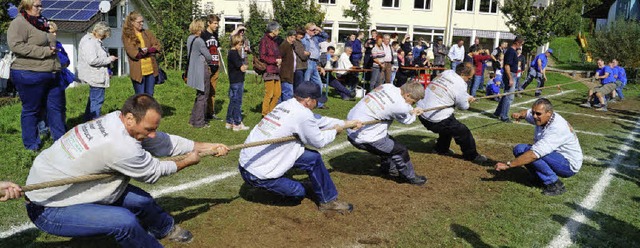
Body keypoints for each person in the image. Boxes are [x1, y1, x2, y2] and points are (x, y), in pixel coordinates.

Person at [24, 94, 230, 246]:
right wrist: (187, 161)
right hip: (47, 207)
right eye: (149, 129)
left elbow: (163, 142)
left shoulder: (116, 118)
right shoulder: (121, 146)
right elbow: (154, 172)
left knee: (142, 201)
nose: (151, 135)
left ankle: (165, 228)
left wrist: (205, 147)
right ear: (130, 118)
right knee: (125, 222)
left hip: (75, 187)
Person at [239, 81, 362, 214]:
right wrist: (335, 131)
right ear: (308, 100)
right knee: (298, 192)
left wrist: (345, 124)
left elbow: (319, 120)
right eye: (316, 100)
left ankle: (328, 201)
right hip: (256, 172)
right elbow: (318, 141)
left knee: (313, 159)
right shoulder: (302, 115)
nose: (317, 104)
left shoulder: (287, 104)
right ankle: (268, 186)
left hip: (249, 161)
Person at [7, 0, 64, 151]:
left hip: (51, 72)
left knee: (56, 108)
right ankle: (31, 146)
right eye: (37, 6)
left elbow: (51, 43)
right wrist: (45, 52)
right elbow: (16, 46)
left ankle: (61, 144)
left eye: (41, 5)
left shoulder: (43, 22)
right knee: (32, 110)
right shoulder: (19, 23)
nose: (41, 8)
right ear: (26, 6)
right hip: (29, 73)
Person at [495, 98, 582, 196]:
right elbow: (526, 113)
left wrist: (508, 165)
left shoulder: (557, 128)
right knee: (519, 149)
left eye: (538, 114)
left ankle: (555, 184)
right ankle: (539, 179)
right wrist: (520, 114)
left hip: (568, 164)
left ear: (549, 113)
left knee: (531, 152)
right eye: (533, 113)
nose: (534, 116)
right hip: (556, 156)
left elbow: (534, 154)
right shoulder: (543, 117)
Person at [347, 82, 428, 185]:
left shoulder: (387, 86)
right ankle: (410, 177)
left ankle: (388, 169)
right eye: (413, 102)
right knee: (400, 151)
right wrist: (415, 112)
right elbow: (407, 121)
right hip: (364, 136)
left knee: (390, 144)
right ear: (407, 95)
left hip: (352, 126)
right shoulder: (401, 106)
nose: (411, 104)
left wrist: (411, 109)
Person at [417, 63, 488, 162]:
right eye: (469, 78)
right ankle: (472, 156)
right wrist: (468, 101)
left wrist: (467, 96)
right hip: (434, 118)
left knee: (449, 125)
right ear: (463, 74)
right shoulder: (461, 84)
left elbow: (455, 91)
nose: (469, 80)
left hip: (421, 112)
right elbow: (463, 106)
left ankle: (441, 149)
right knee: (463, 131)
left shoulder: (447, 73)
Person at [78, 22, 118, 121]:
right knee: (97, 101)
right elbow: (92, 60)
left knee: (93, 100)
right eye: (105, 35)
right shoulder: (90, 42)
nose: (105, 38)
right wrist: (109, 59)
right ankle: (94, 123)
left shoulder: (91, 40)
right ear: (101, 33)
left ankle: (87, 122)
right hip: (95, 76)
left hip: (96, 74)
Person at [122, 11, 161, 96]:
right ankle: (139, 110)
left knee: (150, 95)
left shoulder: (147, 33)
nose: (142, 23)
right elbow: (133, 53)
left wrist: (148, 51)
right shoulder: (127, 36)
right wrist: (147, 52)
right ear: (132, 22)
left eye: (142, 21)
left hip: (150, 70)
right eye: (139, 22)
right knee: (140, 96)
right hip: (138, 72)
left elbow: (157, 46)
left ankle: (148, 109)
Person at [186, 19, 213, 128]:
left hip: (193, 70)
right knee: (203, 96)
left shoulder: (189, 38)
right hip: (202, 70)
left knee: (199, 95)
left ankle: (193, 119)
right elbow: (209, 57)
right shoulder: (200, 41)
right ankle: (199, 122)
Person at [493, 37, 524, 123]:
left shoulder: (512, 51)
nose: (521, 46)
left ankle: (497, 112)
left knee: (506, 95)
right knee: (509, 96)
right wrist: (510, 78)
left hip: (512, 75)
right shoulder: (511, 52)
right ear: (517, 43)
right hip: (510, 75)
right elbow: (507, 66)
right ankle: (504, 116)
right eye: (521, 44)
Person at [301, 23, 329, 109]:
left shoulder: (315, 38)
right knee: (306, 83)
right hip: (308, 62)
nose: (314, 31)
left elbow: (325, 37)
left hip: (315, 63)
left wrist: (319, 29)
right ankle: (303, 102)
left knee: (318, 84)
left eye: (314, 30)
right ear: (307, 30)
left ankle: (318, 103)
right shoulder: (304, 40)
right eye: (312, 30)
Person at [226, 35, 250, 131]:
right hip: (237, 80)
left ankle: (229, 121)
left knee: (232, 101)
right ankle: (237, 123)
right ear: (235, 44)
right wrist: (246, 66)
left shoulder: (230, 53)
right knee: (237, 102)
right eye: (240, 45)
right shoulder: (234, 53)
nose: (241, 47)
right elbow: (241, 67)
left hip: (233, 80)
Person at [259, 22, 283, 116]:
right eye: (278, 30)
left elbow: (277, 53)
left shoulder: (274, 41)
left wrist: (279, 59)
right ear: (273, 30)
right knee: (269, 93)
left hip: (276, 70)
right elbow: (262, 56)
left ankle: (271, 111)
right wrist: (275, 60)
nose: (279, 31)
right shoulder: (264, 41)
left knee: (277, 93)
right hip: (268, 70)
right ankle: (265, 113)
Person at [201, 15, 222, 121]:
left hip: (215, 65)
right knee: (205, 91)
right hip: (207, 66)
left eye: (217, 23)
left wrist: (218, 63)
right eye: (214, 23)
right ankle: (202, 113)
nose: (216, 25)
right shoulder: (203, 34)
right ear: (209, 23)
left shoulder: (215, 35)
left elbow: (217, 49)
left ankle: (211, 112)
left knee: (213, 91)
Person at [279, 30, 297, 103]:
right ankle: (287, 109)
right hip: (286, 74)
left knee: (286, 92)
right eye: (292, 37)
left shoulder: (290, 46)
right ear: (288, 37)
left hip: (289, 73)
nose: (293, 40)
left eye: (294, 38)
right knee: (288, 93)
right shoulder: (285, 45)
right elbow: (279, 57)